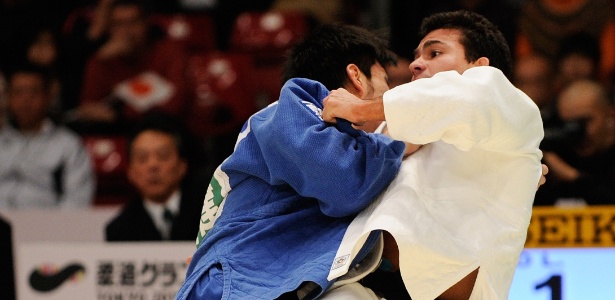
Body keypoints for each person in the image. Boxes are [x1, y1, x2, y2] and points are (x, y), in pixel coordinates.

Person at [176, 23, 409, 299]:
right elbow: (346, 184)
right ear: (357, 76)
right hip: (231, 285)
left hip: (264, 282)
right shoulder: (290, 107)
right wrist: (399, 136)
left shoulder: (330, 140)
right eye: (386, 82)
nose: (391, 97)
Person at [322, 10, 544, 299]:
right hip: (362, 282)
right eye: (416, 55)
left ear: (479, 67)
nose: (415, 64)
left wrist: (359, 109)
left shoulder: (513, 107)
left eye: (434, 53)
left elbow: (467, 99)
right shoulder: (397, 126)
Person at [71, 0, 189, 134]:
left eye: (134, 22)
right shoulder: (102, 59)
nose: (127, 31)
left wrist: (120, 114)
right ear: (109, 28)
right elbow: (89, 109)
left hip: (165, 132)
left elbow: (175, 105)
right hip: (119, 135)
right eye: (119, 24)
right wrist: (101, 62)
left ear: (146, 23)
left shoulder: (170, 52)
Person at [0, 64, 94, 209]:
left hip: (48, 226)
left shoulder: (68, 144)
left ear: (48, 96)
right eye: (18, 92)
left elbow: (77, 200)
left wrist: (54, 228)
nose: (25, 100)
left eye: (33, 92)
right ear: (7, 97)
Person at [105, 113, 205, 241]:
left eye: (163, 156)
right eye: (142, 158)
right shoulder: (119, 230)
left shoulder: (212, 216)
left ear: (182, 166)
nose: (153, 166)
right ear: (130, 172)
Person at [534, 79, 615, 206]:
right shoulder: (555, 151)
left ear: (611, 115)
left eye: (585, 121)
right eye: (569, 123)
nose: (577, 130)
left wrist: (570, 175)